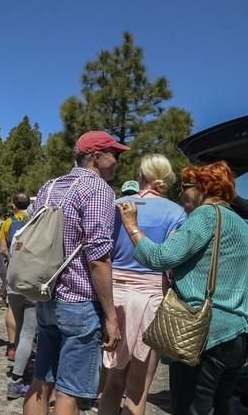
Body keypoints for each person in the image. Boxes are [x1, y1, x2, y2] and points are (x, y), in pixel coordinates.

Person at [117, 161, 248, 415]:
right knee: (219, 407)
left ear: (204, 187)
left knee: (189, 409)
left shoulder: (206, 215)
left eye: (186, 187)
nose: (181, 193)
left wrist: (132, 227)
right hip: (237, 336)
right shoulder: (243, 227)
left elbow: (161, 258)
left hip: (203, 333)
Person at [24, 130, 127, 415]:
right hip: (79, 302)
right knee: (69, 391)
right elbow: (98, 258)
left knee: (41, 381)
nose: (117, 161)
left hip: (46, 295)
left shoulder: (50, 186)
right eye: (114, 154)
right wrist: (110, 316)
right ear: (96, 157)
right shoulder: (99, 190)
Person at [99, 154, 186, 415]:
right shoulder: (176, 212)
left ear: (140, 177)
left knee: (112, 383)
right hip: (151, 300)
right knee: (138, 388)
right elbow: (172, 262)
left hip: (116, 300)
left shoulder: (117, 206)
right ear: (166, 180)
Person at [0, 192, 37, 399]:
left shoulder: (11, 227)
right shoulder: (38, 230)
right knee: (28, 334)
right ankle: (17, 379)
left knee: (22, 330)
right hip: (31, 286)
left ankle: (20, 365)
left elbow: (4, 251)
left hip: (14, 284)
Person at [0, 193, 31, 362]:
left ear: (14, 206)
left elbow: (3, 249)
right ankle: (29, 345)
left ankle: (12, 347)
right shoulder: (35, 220)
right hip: (33, 271)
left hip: (14, 271)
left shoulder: (7, 223)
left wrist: (13, 261)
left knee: (12, 307)